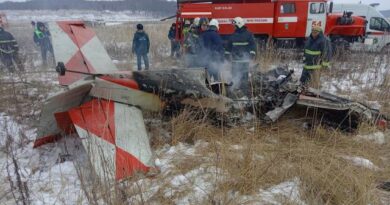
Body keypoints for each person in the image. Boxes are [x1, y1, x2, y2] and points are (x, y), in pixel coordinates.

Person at [225, 17, 257, 85]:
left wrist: (227, 56)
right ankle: (243, 93)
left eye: (235, 26)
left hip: (236, 62)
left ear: (239, 25)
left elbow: (227, 49)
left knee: (235, 79)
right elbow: (253, 46)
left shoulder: (233, 36)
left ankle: (235, 92)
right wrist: (252, 55)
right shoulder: (249, 34)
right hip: (244, 62)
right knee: (244, 80)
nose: (234, 28)